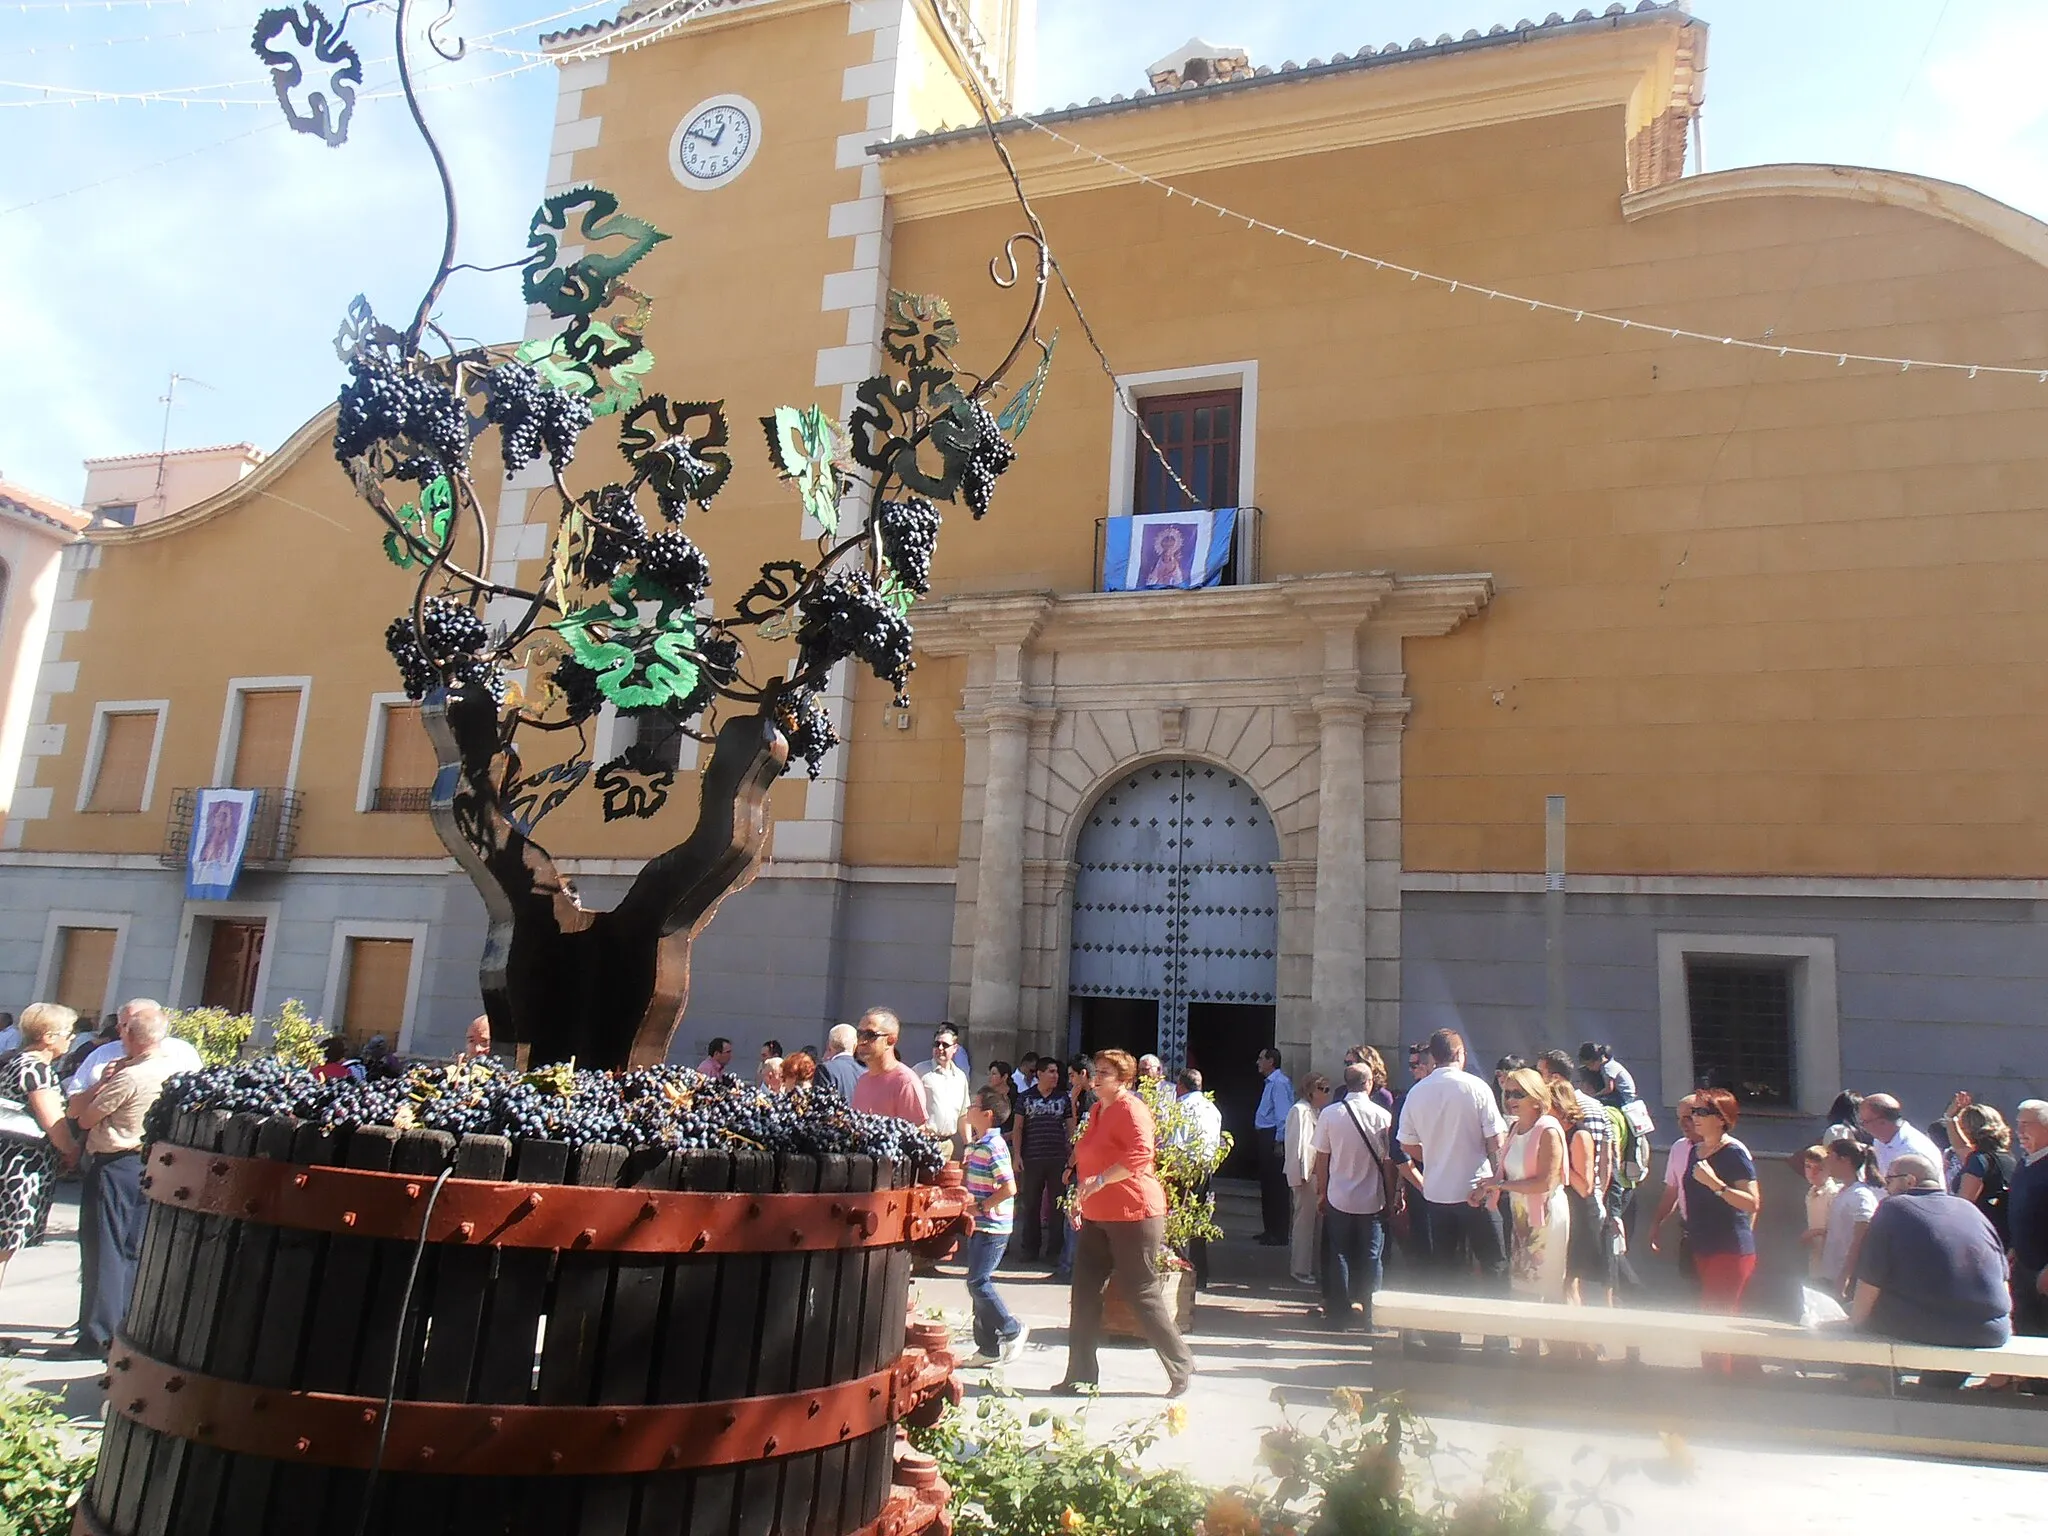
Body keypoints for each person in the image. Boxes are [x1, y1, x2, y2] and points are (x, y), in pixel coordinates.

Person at [1055, 1050, 1195, 1398]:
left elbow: (1139, 1155)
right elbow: (1087, 1161)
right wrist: (1079, 1198)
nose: (1096, 1076)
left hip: (1135, 1214)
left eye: (1105, 1072)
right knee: (1085, 1295)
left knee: (1141, 1292)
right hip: (1097, 1215)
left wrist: (1100, 1182)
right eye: (1096, 1071)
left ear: (1125, 1080)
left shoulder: (1132, 1109)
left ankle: (1180, 1364)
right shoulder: (1096, 1110)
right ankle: (1080, 1377)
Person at [67, 1000, 180, 1359]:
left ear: (130, 1037)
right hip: (148, 1162)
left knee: (105, 1250)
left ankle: (98, 1335)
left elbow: (84, 1118)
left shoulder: (130, 1076)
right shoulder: (172, 1069)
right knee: (133, 1250)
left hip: (115, 1162)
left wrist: (101, 1085)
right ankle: (126, 1328)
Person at [1849, 1154, 2011, 1376]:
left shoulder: (1894, 1207)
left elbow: (1870, 1281)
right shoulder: (1970, 1209)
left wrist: (1853, 1324)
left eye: (1889, 1180)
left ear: (1910, 1181)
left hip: (1934, 1326)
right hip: (1993, 1331)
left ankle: (1874, 1394)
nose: (1886, 1188)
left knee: (1863, 1321)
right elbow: (2003, 1281)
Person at [1396, 1029, 1509, 1331]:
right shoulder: (1476, 1087)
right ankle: (1496, 1336)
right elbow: (1496, 1140)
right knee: (1494, 1263)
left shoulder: (1417, 1092)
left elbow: (1405, 1145)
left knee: (1445, 1268)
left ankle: (1446, 1335)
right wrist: (1495, 1184)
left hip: (1437, 1193)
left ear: (1432, 1057)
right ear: (1460, 1054)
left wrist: (1433, 1153)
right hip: (1477, 1190)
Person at [0, 1004, 79, 1295]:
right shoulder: (36, 1069)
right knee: (4, 1245)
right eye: (68, 1033)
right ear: (48, 1036)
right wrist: (71, 1151)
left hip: (9, 1156)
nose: (71, 1039)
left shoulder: (15, 1061)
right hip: (19, 1165)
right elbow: (53, 1122)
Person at [1681, 1088, 1761, 1371]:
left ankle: (1722, 1386)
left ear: (1722, 1118)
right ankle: (1717, 1378)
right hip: (1703, 1246)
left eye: (1703, 1112)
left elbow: (1752, 1203)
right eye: (1694, 1112)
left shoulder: (1734, 1152)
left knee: (1718, 1320)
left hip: (1730, 1250)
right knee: (1710, 1318)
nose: (1695, 1118)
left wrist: (1716, 1184)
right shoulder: (1695, 1150)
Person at [1312, 1062, 1392, 1331]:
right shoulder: (1382, 1116)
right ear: (1369, 1083)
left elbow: (1322, 1159)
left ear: (1346, 1084)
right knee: (1372, 1257)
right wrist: (1392, 1195)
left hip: (1339, 1196)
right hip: (1372, 1197)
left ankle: (1339, 1314)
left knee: (1340, 1254)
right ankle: (1372, 1315)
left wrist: (1322, 1192)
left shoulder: (1329, 1114)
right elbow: (1389, 1161)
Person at [1486, 1069, 1569, 1315]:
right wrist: (1485, 1188)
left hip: (1545, 1215)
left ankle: (1557, 1351)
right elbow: (1504, 1173)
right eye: (1507, 1093)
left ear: (1535, 1097)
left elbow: (1545, 1182)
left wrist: (1501, 1187)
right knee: (1522, 1288)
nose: (1510, 1099)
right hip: (1521, 1215)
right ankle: (1527, 1349)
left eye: (1518, 1094)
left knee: (1544, 1290)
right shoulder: (1514, 1129)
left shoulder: (1548, 1130)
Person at [959, 1087, 1028, 1367]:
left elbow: (1009, 1187)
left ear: (987, 1114)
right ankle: (987, 1348)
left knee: (978, 1281)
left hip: (993, 1225)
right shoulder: (977, 1144)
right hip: (980, 1223)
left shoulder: (994, 1146)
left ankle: (1011, 1328)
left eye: (973, 1105)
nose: (969, 1109)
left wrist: (983, 1207)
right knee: (976, 1284)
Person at [1548, 1075, 1611, 1309]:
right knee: (1563, 1282)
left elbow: (1585, 1186)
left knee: (1574, 1282)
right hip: (1564, 1209)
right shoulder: (1554, 1132)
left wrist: (1559, 1156)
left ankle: (1586, 1341)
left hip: (1582, 1214)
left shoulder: (1579, 1135)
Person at [1010, 1059, 1075, 1268]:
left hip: (1057, 1159)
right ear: (1039, 1074)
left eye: (1057, 1072)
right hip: (1032, 1158)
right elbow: (1018, 1128)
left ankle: (1054, 1251)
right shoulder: (1025, 1097)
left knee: (1057, 1206)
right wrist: (1017, 1156)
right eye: (1051, 1072)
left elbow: (1071, 1129)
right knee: (1031, 1205)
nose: (1055, 1076)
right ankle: (1030, 1248)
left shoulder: (1063, 1098)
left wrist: (1072, 1158)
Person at [1173, 1068, 1223, 1289]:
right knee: (1200, 1222)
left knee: (1179, 1220)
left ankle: (1181, 1270)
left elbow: (1176, 1143)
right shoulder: (1212, 1109)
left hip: (1185, 1169)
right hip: (1206, 1168)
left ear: (1181, 1086)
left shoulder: (1183, 1107)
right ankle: (1200, 1274)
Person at [1646, 1093, 1703, 1285]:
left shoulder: (1730, 1149)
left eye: (1688, 1118)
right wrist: (1656, 1224)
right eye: (1679, 1118)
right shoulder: (1679, 1148)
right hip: (1690, 1233)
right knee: (1694, 1288)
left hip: (1720, 1235)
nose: (1682, 1124)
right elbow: (1672, 1192)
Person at [64, 1020, 201, 1097]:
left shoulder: (182, 1051)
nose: (123, 1032)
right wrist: (101, 1084)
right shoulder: (103, 1052)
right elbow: (75, 1099)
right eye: (124, 1025)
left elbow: (195, 1090)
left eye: (132, 1027)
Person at [1945, 1099, 2017, 1247]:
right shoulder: (2006, 1158)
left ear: (1968, 1129)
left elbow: (1964, 1203)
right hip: (2002, 1233)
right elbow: (1960, 1145)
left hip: (1981, 1237)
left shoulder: (1977, 1160)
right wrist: (1950, 1119)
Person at [2006, 1101, 2048, 1344]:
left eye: (2026, 1125)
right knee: (2026, 1331)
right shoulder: (2025, 1163)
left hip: (2043, 1271)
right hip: (2024, 1264)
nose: (2019, 1131)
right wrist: (2015, 1247)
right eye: (2018, 1124)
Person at [1818, 1139, 1881, 1300]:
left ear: (1843, 1160)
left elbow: (1860, 1240)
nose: (1825, 1160)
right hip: (1831, 1273)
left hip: (1847, 1279)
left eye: (1829, 1155)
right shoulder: (1842, 1192)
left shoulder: (1861, 1196)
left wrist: (1845, 1276)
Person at [1285, 1073, 1331, 1285]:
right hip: (1305, 1175)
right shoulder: (1299, 1111)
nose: (1327, 1095)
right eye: (1324, 1090)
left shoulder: (1317, 1111)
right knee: (1303, 1224)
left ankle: (1312, 1267)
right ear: (1313, 1090)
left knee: (1315, 1225)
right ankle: (1300, 1269)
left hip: (1316, 1175)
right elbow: (1296, 1146)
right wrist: (1298, 1177)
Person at [849, 1010, 927, 1124]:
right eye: (859, 1034)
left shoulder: (905, 1082)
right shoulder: (862, 1080)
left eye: (870, 1035)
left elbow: (916, 1134)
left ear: (890, 1040)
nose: (862, 1041)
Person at [1253, 1048, 1293, 1246]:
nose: (1258, 1062)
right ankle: (1269, 1229)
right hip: (1265, 1137)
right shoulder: (1271, 1082)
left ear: (1271, 1061)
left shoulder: (1278, 1083)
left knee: (1276, 1186)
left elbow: (1283, 1116)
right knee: (1267, 1185)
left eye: (1261, 1058)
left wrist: (1279, 1141)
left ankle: (1279, 1232)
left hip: (1272, 1138)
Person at [913, 1025, 972, 1157]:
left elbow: (964, 1114)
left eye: (945, 1045)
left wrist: (968, 1144)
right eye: (936, 1044)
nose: (940, 1048)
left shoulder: (960, 1077)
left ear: (955, 1048)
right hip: (922, 1143)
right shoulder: (919, 1071)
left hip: (946, 1146)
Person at [1858, 1094, 1943, 1176]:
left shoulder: (1913, 1151)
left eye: (1864, 1122)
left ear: (1882, 1122)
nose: (1862, 1126)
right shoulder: (1880, 1141)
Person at [1793, 1145, 1841, 1280]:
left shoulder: (1834, 1194)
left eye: (1819, 1169)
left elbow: (1839, 1229)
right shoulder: (1811, 1193)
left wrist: (1813, 1233)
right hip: (1816, 1256)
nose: (1812, 1173)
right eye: (1808, 1167)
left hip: (1832, 1260)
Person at [819, 1023, 863, 1100]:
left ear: (829, 1045)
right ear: (855, 1046)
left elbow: (821, 1102)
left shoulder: (825, 1069)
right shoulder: (864, 1070)